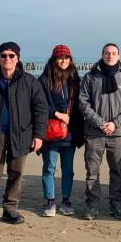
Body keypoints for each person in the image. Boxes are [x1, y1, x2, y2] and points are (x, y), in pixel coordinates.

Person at [0, 42, 49, 229]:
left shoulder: (29, 81)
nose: (7, 59)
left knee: (17, 173)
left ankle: (10, 209)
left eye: (11, 55)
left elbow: (40, 109)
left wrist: (38, 135)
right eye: (3, 55)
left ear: (18, 58)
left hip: (21, 135)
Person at [79, 43, 121, 220]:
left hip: (117, 133)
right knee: (92, 172)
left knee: (117, 171)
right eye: (107, 53)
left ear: (119, 56)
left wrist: (115, 123)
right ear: (102, 55)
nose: (110, 56)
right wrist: (100, 122)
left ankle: (116, 205)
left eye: (113, 53)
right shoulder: (90, 77)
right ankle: (92, 206)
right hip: (94, 132)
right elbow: (83, 103)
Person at [38, 45, 84, 217]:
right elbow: (39, 104)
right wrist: (57, 114)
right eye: (59, 57)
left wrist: (80, 131)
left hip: (70, 133)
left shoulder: (75, 79)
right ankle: (50, 201)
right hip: (51, 132)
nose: (63, 60)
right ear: (54, 59)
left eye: (66, 57)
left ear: (70, 60)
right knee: (49, 167)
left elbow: (81, 106)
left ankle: (66, 200)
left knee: (67, 168)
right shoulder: (44, 80)